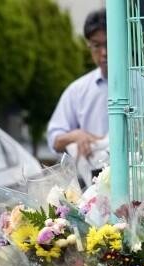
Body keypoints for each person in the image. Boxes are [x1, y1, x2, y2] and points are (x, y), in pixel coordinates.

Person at [47, 10, 109, 159]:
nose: (104, 52)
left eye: (109, 43)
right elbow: (54, 139)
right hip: (93, 178)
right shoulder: (77, 90)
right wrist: (76, 135)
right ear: (89, 46)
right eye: (96, 45)